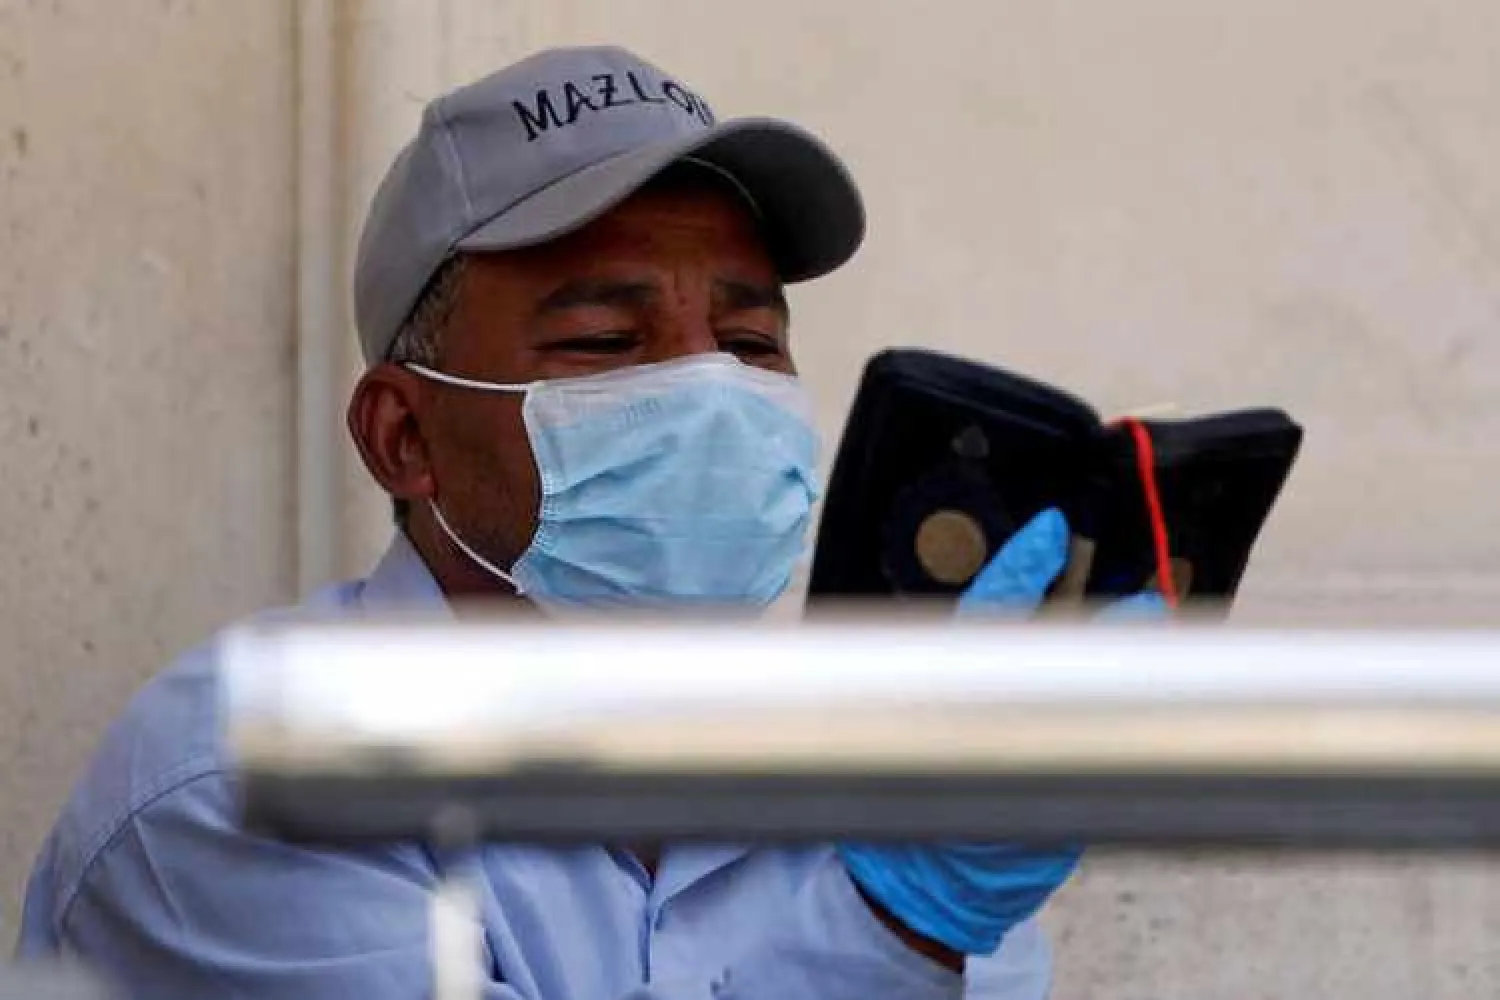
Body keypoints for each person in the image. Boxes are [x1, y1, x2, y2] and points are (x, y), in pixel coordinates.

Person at [18, 46, 1144, 999]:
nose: (709, 394)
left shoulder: (871, 790)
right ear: (404, 436)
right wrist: (899, 923)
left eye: (751, 345)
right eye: (607, 343)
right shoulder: (249, 778)